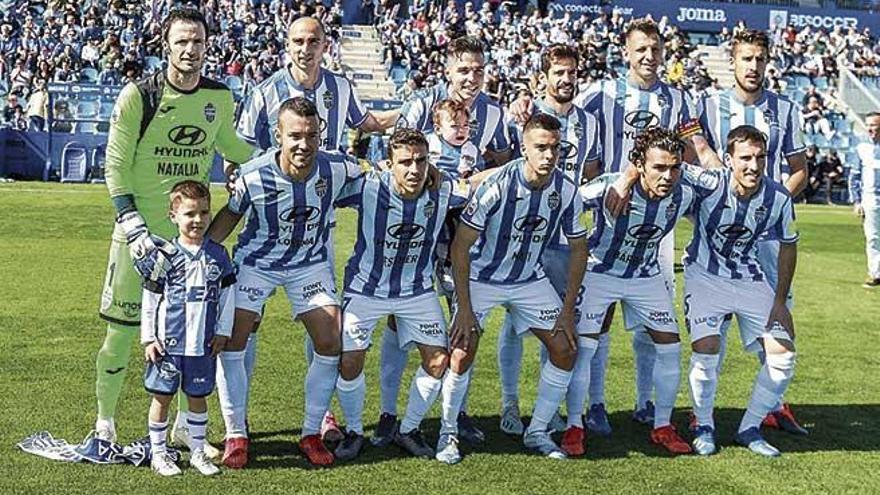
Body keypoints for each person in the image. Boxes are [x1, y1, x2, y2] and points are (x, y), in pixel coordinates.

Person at [94, 9, 254, 461]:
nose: (190, 50)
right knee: (124, 334)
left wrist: (280, 158)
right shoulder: (138, 95)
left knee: (194, 338)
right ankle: (105, 421)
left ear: (207, 46)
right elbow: (114, 166)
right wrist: (132, 225)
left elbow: (235, 149)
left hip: (192, 244)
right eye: (182, 41)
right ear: (166, 44)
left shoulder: (219, 98)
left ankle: (185, 428)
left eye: (198, 42)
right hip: (139, 240)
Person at [230, 16, 399, 443]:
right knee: (245, 325)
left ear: (327, 44)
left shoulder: (340, 88)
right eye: (298, 40)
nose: (306, 47)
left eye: (314, 40)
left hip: (321, 212)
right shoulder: (266, 91)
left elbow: (369, 125)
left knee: (325, 321)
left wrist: (417, 111)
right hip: (269, 222)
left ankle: (319, 417)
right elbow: (241, 151)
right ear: (287, 45)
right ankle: (239, 419)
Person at [207, 97, 364, 468]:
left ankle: (311, 432)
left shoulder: (338, 169)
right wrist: (200, 254)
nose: (303, 144)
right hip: (257, 263)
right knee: (233, 335)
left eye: (311, 135)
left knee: (330, 338)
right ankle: (236, 434)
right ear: (278, 135)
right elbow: (230, 217)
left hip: (308, 265)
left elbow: (378, 180)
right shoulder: (252, 175)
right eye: (294, 135)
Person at [377, 35, 514, 446]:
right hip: (415, 230)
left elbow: (503, 161)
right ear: (448, 70)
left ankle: (457, 411)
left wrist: (475, 182)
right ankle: (387, 412)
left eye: (478, 70)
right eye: (464, 70)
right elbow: (396, 157)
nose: (472, 78)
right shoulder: (424, 103)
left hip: (464, 234)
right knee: (398, 316)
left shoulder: (493, 113)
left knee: (464, 321)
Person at [439, 114, 588, 463]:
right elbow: (460, 246)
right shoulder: (499, 185)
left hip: (528, 280)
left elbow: (579, 249)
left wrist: (567, 311)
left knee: (566, 348)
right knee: (461, 351)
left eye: (555, 148)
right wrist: (464, 308)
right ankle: (448, 433)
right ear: (524, 149)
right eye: (541, 148)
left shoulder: (566, 189)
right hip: (483, 278)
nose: (549, 155)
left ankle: (537, 431)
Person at [693, 29, 808, 435]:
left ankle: (774, 404)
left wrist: (768, 211)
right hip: (718, 235)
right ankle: (700, 412)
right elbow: (690, 149)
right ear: (733, 62)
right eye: (746, 59)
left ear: (768, 61)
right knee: (715, 323)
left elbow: (799, 171)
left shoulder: (786, 109)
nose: (753, 66)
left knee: (777, 317)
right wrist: (706, 156)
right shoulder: (707, 106)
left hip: (768, 237)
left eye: (760, 59)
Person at [332, 129, 472, 461]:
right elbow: (324, 186)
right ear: (389, 164)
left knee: (438, 361)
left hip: (417, 290)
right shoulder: (368, 187)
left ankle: (407, 429)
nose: (414, 170)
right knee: (350, 361)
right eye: (405, 162)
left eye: (421, 161)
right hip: (366, 287)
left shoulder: (445, 190)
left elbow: (482, 188)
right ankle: (354, 430)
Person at [495, 43, 601, 440]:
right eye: (559, 72)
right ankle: (509, 402)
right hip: (521, 236)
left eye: (572, 71)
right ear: (543, 77)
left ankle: (548, 407)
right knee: (512, 323)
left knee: (555, 322)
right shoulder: (522, 116)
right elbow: (503, 166)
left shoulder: (589, 122)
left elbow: (590, 173)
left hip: (563, 239)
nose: (567, 78)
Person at [570, 127, 695, 456]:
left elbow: (720, 180)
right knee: (584, 349)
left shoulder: (685, 190)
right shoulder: (608, 186)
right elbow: (566, 203)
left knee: (670, 347)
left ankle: (663, 426)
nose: (668, 176)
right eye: (659, 168)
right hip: (600, 273)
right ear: (639, 164)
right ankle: (573, 426)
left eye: (674, 167)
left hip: (645, 276)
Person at [684, 125, 799, 457]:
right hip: (704, 274)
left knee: (783, 354)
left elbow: (789, 246)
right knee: (706, 350)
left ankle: (749, 427)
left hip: (750, 277)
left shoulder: (777, 197)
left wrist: (780, 302)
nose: (753, 165)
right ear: (729, 159)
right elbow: (664, 164)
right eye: (745, 158)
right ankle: (703, 424)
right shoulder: (708, 183)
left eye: (760, 158)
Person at [140, 181, 235, 477]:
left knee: (198, 397)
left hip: (203, 343)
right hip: (168, 345)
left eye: (204, 213)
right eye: (189, 213)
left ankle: (197, 453)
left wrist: (223, 331)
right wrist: (148, 338)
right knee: (162, 397)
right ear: (174, 216)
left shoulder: (218, 255)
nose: (197, 220)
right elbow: (151, 298)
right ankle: (159, 454)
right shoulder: (164, 255)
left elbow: (228, 296)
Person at [849, 112, 880, 288]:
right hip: (871, 199)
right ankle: (875, 273)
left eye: (874, 125)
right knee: (873, 237)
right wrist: (856, 201)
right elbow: (854, 176)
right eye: (868, 125)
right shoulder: (861, 147)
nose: (870, 128)